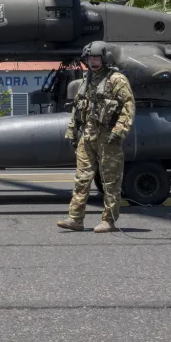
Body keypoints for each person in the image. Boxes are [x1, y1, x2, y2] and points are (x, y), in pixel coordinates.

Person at [58, 41, 135, 233]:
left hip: (108, 137)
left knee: (111, 180)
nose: (93, 61)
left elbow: (128, 106)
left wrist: (118, 131)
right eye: (90, 57)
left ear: (105, 58)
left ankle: (109, 220)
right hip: (88, 135)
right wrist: (72, 130)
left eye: (96, 57)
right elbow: (78, 107)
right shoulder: (87, 79)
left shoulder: (116, 79)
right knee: (82, 178)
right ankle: (75, 218)